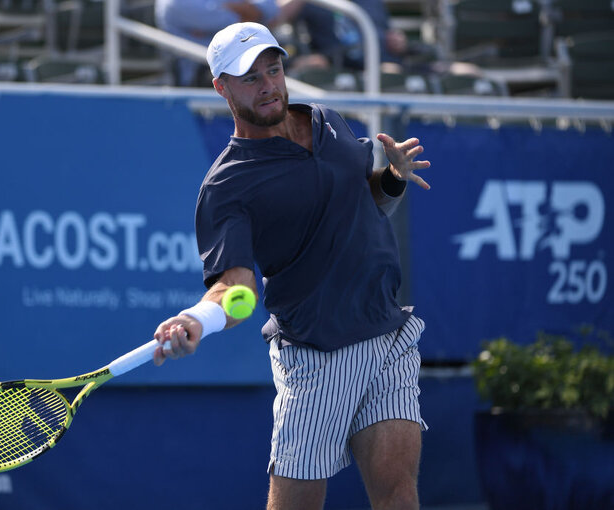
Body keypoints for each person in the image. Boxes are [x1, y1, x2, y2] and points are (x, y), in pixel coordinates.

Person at [152, 21, 431, 510]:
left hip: (387, 333)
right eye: (250, 77)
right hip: (316, 354)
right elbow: (234, 285)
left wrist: (390, 179)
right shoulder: (226, 187)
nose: (268, 85)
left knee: (398, 497)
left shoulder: (327, 119)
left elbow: (357, 204)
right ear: (221, 87)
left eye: (273, 69)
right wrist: (198, 318)